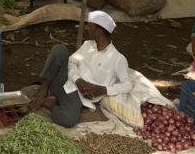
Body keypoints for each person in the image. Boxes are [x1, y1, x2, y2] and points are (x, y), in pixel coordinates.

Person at [28, 11, 168, 128]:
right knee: (60, 50)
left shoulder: (117, 59)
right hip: (67, 81)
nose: (87, 28)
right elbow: (72, 62)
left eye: (90, 26)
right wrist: (79, 80)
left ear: (99, 31)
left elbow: (127, 85)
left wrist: (103, 90)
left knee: (68, 119)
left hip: (78, 97)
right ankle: (43, 89)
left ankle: (51, 103)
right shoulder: (88, 45)